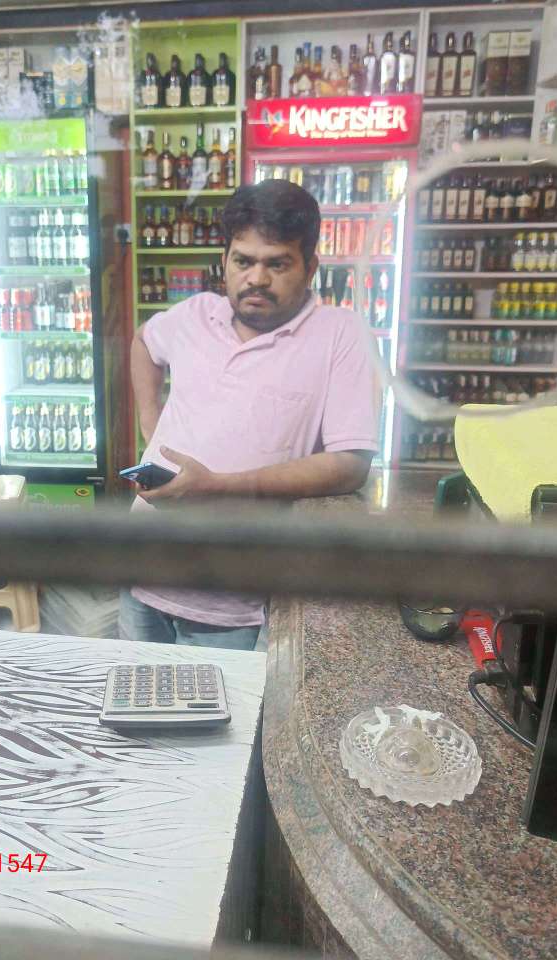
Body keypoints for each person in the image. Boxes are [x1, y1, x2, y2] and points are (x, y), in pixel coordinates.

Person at [123, 179, 380, 650]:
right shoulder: (195, 314)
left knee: (216, 702)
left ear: (310, 267)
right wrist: (149, 425)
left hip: (231, 598)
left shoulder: (341, 335)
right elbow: (143, 341)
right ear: (224, 260)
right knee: (134, 695)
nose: (256, 278)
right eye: (243, 261)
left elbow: (350, 464)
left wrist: (216, 486)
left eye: (277, 264)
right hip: (143, 569)